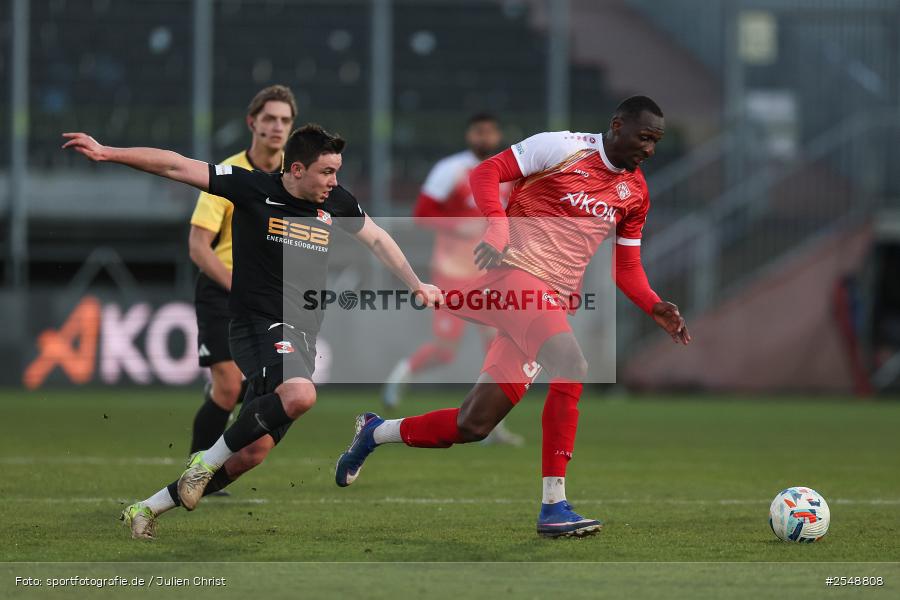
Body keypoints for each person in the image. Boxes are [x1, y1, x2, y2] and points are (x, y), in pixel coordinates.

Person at [62, 124, 442, 539]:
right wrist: (107, 153)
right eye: (326, 172)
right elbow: (176, 165)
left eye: (337, 172)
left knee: (249, 455)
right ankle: (203, 463)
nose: (334, 182)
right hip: (255, 324)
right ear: (296, 169)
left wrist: (415, 284)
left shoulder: (334, 201)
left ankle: (147, 508)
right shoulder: (250, 188)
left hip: (302, 335)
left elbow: (378, 238)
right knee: (300, 395)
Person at [335, 96, 691, 538]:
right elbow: (487, 172)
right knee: (573, 363)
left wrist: (653, 303)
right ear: (617, 126)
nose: (650, 149)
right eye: (644, 137)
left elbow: (626, 265)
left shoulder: (635, 193)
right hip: (515, 279)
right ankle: (554, 505)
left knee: (473, 423)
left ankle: (375, 431)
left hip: (549, 302)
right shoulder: (561, 147)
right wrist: (499, 225)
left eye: (656, 141)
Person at [382, 113, 522, 446]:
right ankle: (402, 373)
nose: (485, 137)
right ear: (469, 134)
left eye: (490, 131)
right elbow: (422, 214)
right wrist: (457, 225)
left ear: (498, 134)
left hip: (491, 276)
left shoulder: (510, 172)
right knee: (446, 350)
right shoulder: (451, 170)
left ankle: (492, 426)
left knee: (499, 349)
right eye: (479, 131)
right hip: (452, 273)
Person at [188, 85, 296, 466]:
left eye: (285, 120)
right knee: (229, 386)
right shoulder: (229, 174)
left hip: (268, 295)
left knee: (246, 388)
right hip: (223, 288)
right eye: (269, 118)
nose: (277, 127)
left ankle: (217, 465)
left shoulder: (295, 177)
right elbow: (199, 246)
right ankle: (197, 471)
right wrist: (238, 286)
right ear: (253, 122)